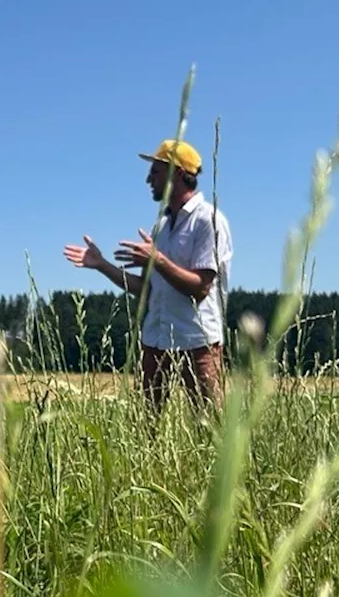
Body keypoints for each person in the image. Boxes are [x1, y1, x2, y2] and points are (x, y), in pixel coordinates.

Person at [63, 138, 233, 418]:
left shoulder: (209, 220)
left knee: (210, 427)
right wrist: (102, 264)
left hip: (197, 342)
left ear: (177, 173)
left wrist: (158, 260)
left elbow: (201, 288)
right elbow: (146, 290)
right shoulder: (161, 227)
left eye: (155, 172)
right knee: (146, 427)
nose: (148, 179)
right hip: (155, 340)